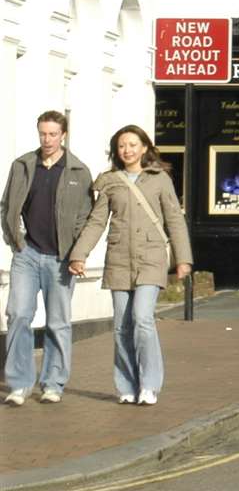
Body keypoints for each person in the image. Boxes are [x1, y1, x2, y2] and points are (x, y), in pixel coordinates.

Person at [66, 126, 191, 406]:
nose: (128, 150)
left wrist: (183, 259)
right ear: (116, 150)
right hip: (119, 259)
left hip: (151, 257)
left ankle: (150, 385)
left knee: (143, 318)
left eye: (133, 145)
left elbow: (174, 219)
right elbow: (97, 221)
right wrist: (79, 255)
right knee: (122, 325)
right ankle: (126, 385)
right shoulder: (110, 181)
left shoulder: (160, 179)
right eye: (122, 146)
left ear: (144, 148)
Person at [3, 110, 96, 406]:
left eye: (53, 134)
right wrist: (14, 240)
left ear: (63, 135)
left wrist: (77, 254)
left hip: (61, 257)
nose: (47, 139)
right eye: (43, 133)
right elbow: (6, 205)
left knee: (58, 322)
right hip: (27, 253)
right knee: (18, 314)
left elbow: (85, 216)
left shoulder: (78, 172)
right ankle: (19, 384)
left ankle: (53, 382)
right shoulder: (22, 166)